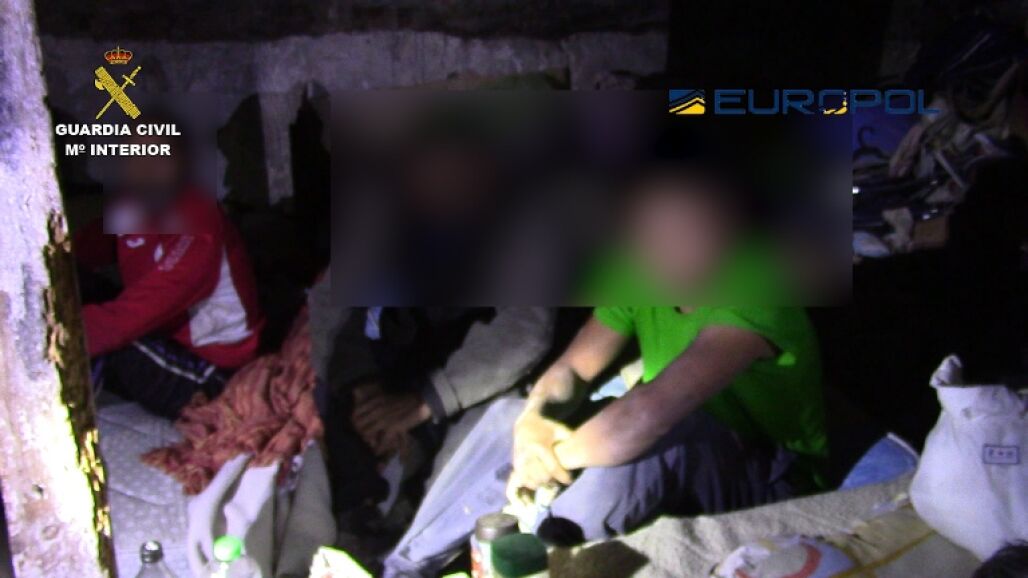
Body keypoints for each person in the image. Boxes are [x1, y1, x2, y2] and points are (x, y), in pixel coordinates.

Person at [381, 169, 829, 577]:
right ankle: (403, 568)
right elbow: (573, 369)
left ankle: (539, 565)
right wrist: (534, 423)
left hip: (768, 473)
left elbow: (648, 414)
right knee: (510, 415)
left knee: (643, 443)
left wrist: (549, 460)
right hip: (678, 438)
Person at [76, 126, 262, 418]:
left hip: (214, 368)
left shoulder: (197, 219)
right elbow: (76, 253)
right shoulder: (133, 207)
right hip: (167, 338)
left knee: (112, 338)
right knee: (72, 286)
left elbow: (139, 312)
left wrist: (60, 335)